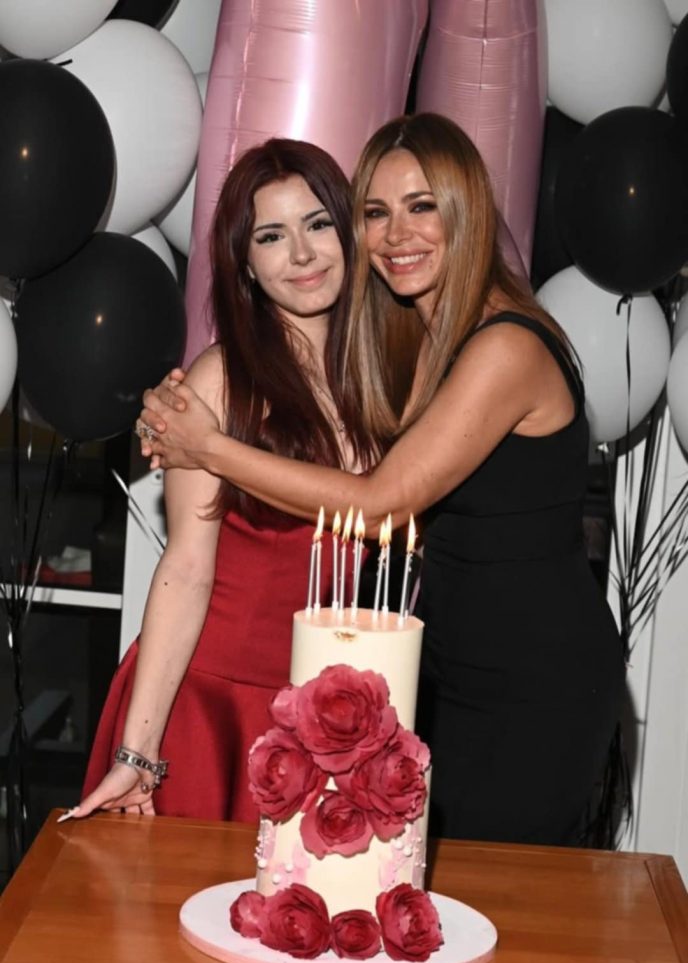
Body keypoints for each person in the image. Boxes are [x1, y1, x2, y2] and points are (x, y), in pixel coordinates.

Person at [139, 112, 625, 846]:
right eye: (375, 213)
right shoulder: (415, 340)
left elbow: (379, 504)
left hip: (532, 683)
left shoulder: (504, 348)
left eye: (422, 206)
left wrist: (208, 446)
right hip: (445, 673)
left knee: (501, 898)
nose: (398, 235)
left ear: (467, 212)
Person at [71, 139, 380, 822]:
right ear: (244, 262)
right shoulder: (220, 381)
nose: (302, 254)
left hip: (324, 711)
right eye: (271, 236)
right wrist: (138, 754)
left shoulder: (380, 380)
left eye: (318, 224)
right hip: (210, 703)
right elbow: (187, 568)